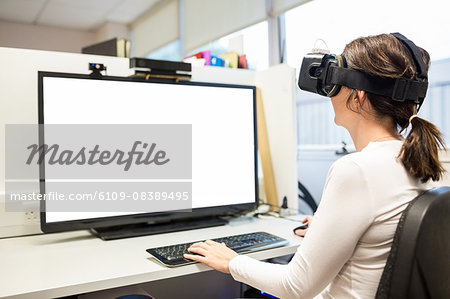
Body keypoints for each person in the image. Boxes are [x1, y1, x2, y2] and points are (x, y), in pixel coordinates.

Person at [184, 33, 446, 298]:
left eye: (335, 84)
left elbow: (295, 286)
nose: (329, 94)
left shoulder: (357, 169)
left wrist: (231, 261)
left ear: (359, 97)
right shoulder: (418, 158)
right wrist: (326, 228)